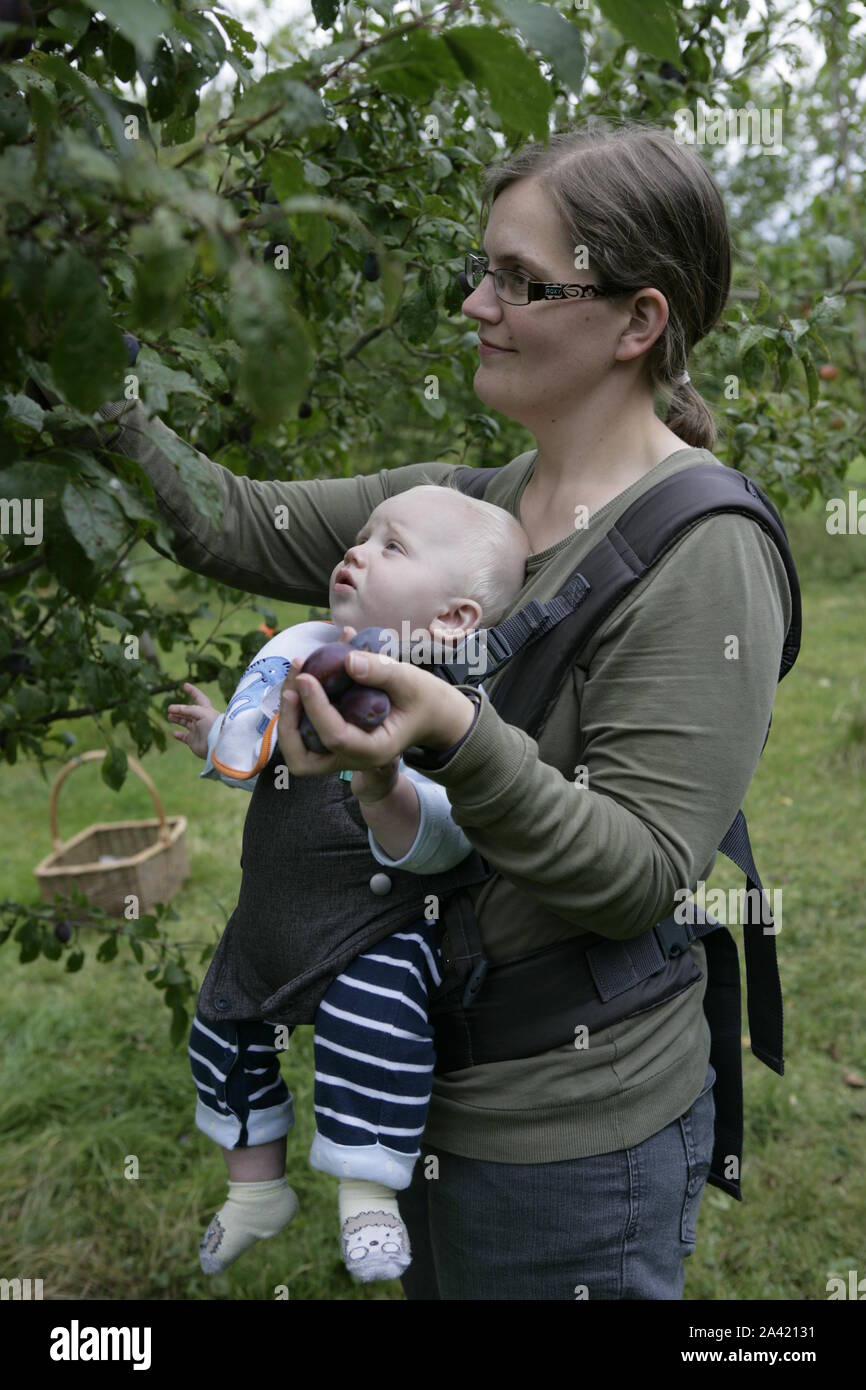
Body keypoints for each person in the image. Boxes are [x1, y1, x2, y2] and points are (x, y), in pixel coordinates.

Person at [81, 119, 791, 1299]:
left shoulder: (701, 553)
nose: (473, 302)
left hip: (566, 1136)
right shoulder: (465, 505)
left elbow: (639, 873)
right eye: (483, 269)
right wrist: (92, 378)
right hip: (426, 1083)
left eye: (518, 280)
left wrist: (455, 737)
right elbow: (226, 517)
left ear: (636, 321)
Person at [167, 485, 530, 1282]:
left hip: (375, 931)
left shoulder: (446, 706)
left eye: (391, 547)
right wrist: (218, 740)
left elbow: (441, 840)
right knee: (220, 1033)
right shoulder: (304, 655)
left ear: (453, 620)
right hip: (269, 915)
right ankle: (255, 1188)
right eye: (361, 537)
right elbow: (267, 754)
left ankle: (366, 1193)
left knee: (373, 1037)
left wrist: (379, 784)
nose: (356, 551)